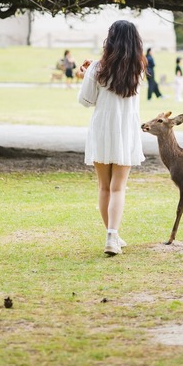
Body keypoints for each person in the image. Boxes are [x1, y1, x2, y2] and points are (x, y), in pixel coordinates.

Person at [77, 21, 147, 256]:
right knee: (118, 188)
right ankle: (112, 235)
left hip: (102, 130)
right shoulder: (138, 69)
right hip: (125, 130)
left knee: (104, 187)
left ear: (111, 39)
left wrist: (85, 75)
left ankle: (112, 235)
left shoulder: (97, 67)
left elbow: (86, 101)